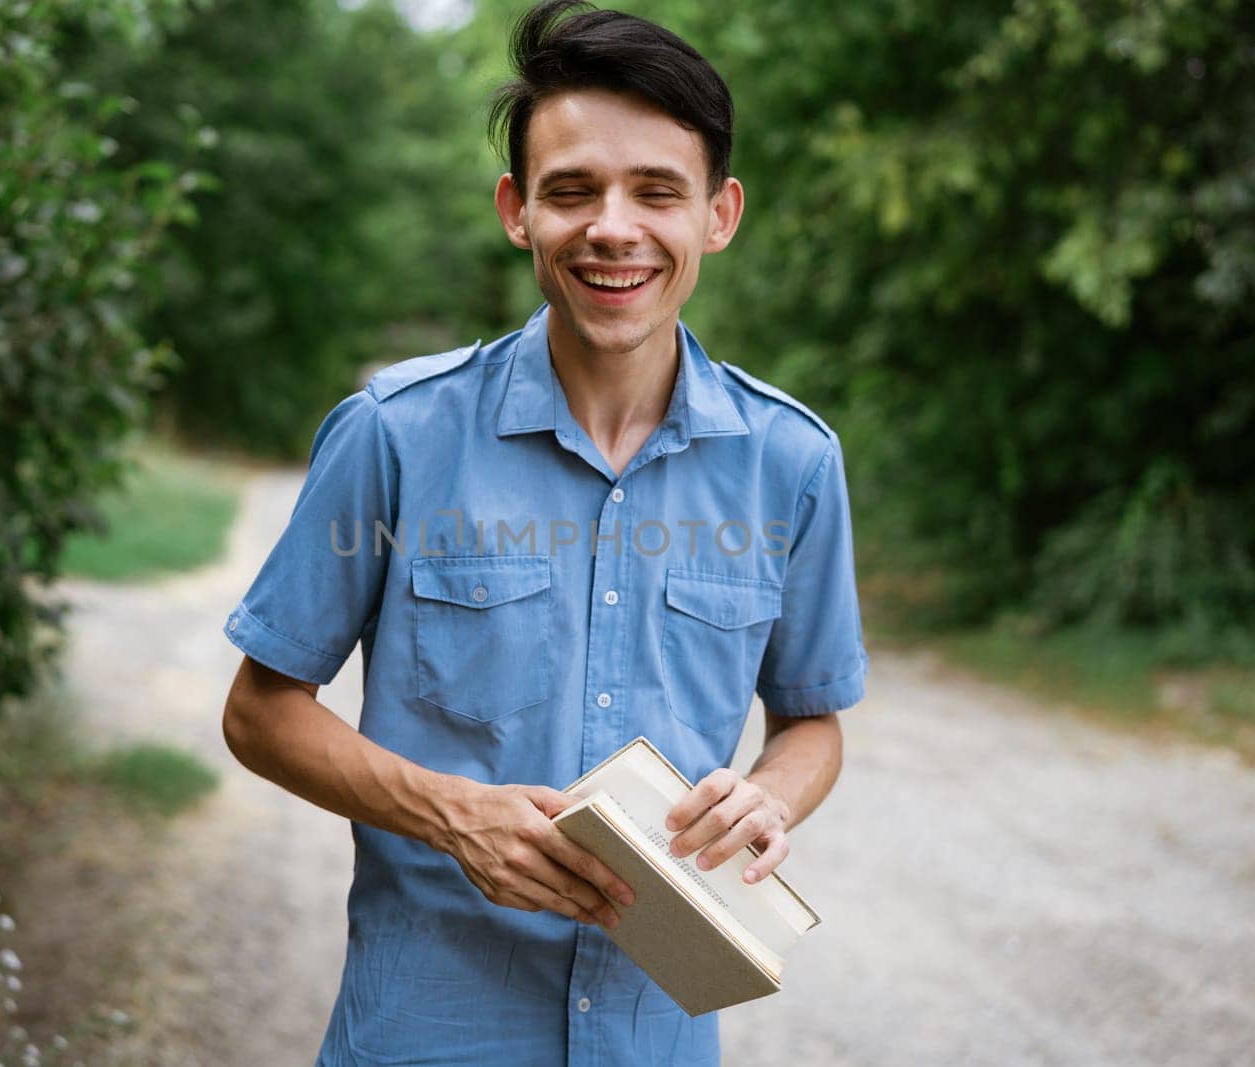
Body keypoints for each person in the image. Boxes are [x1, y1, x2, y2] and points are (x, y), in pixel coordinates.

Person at [220, 2, 868, 1063]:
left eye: (657, 190)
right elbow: (259, 711)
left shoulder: (790, 462)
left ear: (719, 213)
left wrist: (768, 793)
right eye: (573, 190)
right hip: (423, 1034)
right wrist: (447, 811)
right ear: (518, 212)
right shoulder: (395, 433)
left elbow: (813, 721)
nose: (613, 227)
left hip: (658, 1037)